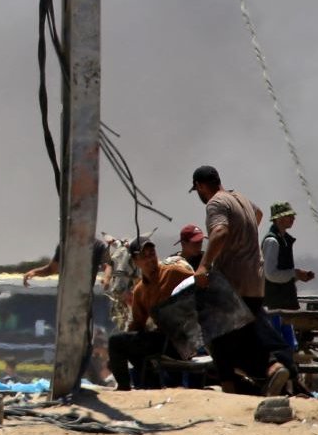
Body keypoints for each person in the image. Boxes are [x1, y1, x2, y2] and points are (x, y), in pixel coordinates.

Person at [190, 164, 294, 395]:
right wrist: (244, 236)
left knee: (216, 335)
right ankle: (273, 369)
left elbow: (220, 232)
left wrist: (204, 265)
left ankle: (230, 388)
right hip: (255, 282)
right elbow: (257, 214)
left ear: (200, 186)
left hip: (233, 282)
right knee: (245, 337)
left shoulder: (215, 203)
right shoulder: (241, 199)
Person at [106, 236, 194, 391]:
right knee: (123, 343)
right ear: (135, 261)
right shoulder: (140, 290)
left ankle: (124, 388)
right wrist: (118, 355)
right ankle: (151, 386)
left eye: (152, 254)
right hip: (162, 341)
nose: (150, 259)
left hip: (181, 340)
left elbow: (199, 281)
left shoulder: (173, 273)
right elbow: (137, 325)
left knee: (115, 341)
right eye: (143, 256)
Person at [260, 202, 313, 311]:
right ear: (279, 219)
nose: (293, 218)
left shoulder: (284, 240)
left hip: (284, 302)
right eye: (289, 216)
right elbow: (270, 274)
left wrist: (298, 276)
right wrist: (294, 273)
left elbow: (281, 274)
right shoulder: (272, 241)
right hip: (275, 304)